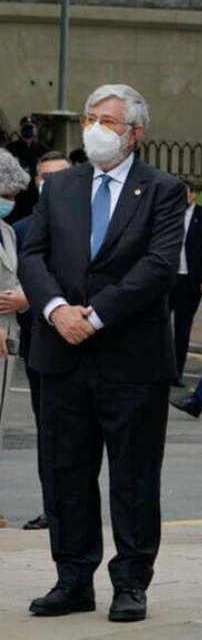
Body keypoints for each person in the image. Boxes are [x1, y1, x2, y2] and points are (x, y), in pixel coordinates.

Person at [19, 84, 186, 623]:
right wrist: (56, 310)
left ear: (136, 132)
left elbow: (158, 267)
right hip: (60, 352)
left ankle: (131, 582)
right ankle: (73, 579)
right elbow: (33, 254)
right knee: (65, 471)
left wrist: (93, 315)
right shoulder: (62, 187)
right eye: (91, 117)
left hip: (130, 359)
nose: (95, 128)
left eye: (108, 120)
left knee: (134, 476)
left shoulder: (161, 189)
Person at [13, 150, 71, 531]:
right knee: (48, 430)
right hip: (40, 347)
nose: (49, 183)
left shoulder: (92, 227)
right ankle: (53, 508)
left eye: (58, 176)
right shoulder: (18, 231)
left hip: (84, 339)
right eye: (43, 176)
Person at [0, 150, 31, 529]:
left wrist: (26, 297)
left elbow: (16, 280)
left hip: (8, 336)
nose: (9, 200)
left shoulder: (7, 231)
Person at [168, 185, 202, 387]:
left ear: (194, 194)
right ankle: (159, 368)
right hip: (168, 279)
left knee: (182, 328)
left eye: (184, 193)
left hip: (191, 280)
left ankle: (176, 372)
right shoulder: (169, 213)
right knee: (159, 326)